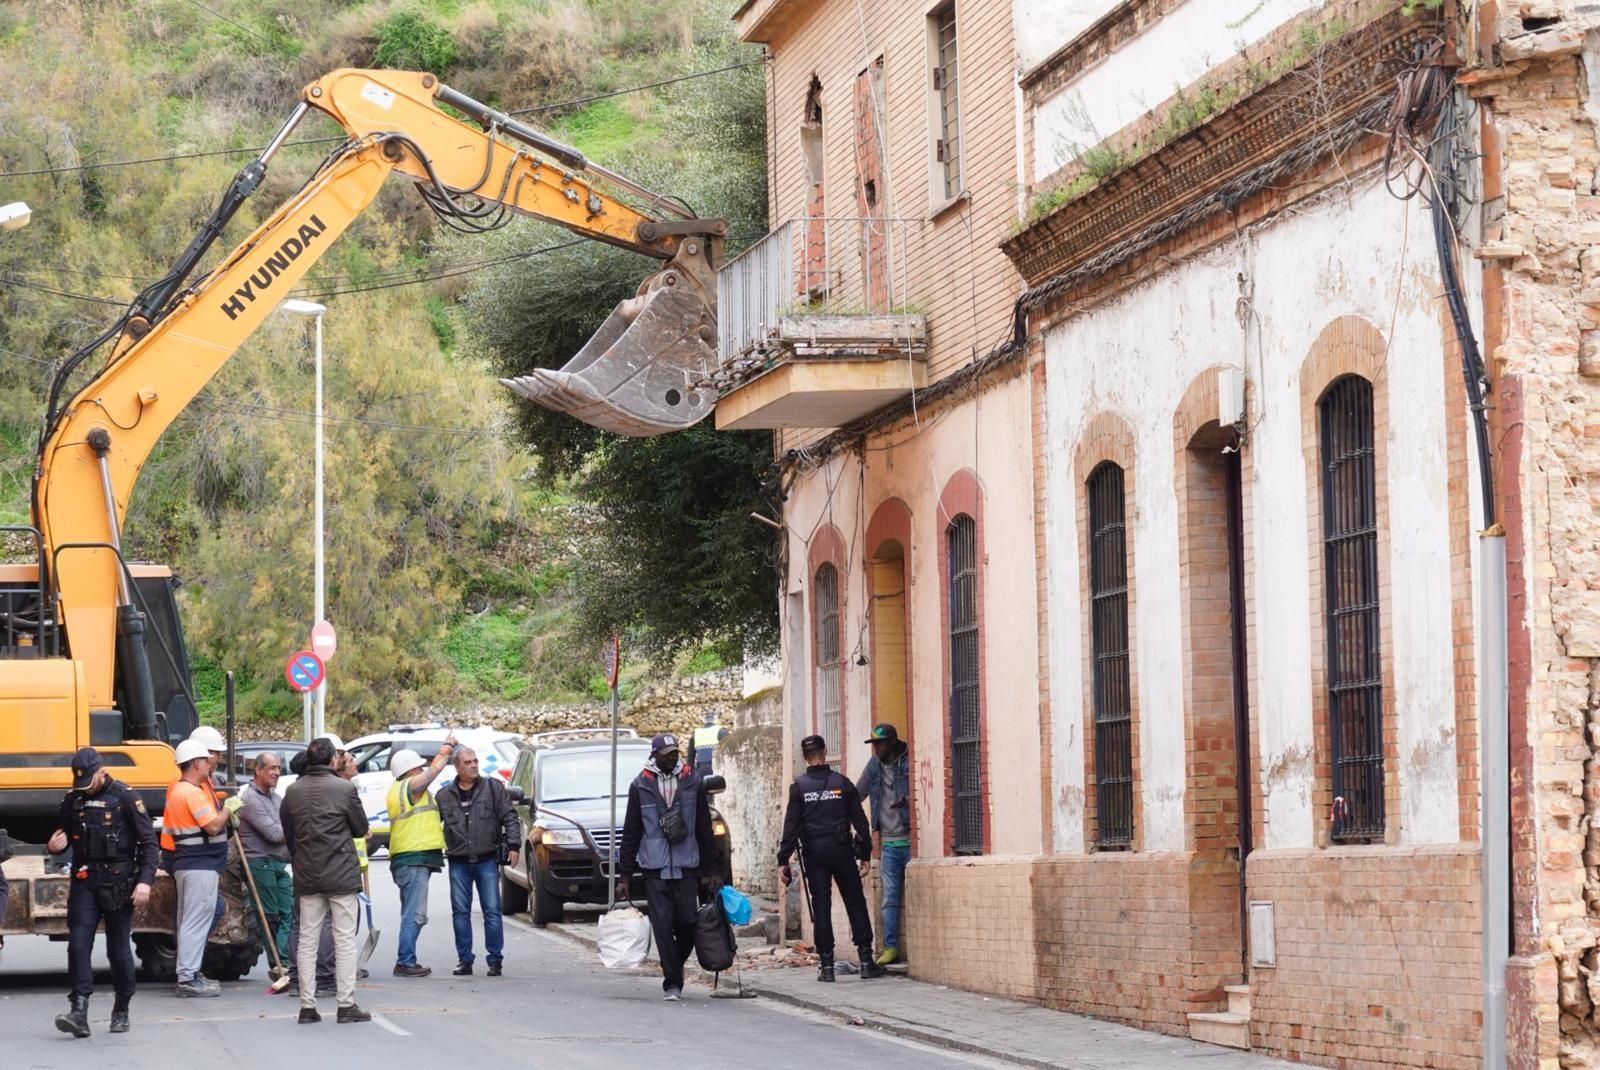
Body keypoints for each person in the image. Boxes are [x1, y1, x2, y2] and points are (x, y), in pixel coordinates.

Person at [45, 747, 157, 1037]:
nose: (85, 788)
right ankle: (78, 1010)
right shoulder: (73, 800)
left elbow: (149, 844)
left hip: (119, 882)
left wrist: (145, 881)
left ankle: (122, 1008)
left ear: (102, 771)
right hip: (85, 879)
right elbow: (64, 835)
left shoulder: (126, 798)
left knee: (117, 948)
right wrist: (55, 847)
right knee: (78, 943)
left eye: (89, 781)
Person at [616, 732, 721, 1001]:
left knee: (688, 924)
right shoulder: (640, 785)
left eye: (675, 753)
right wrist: (624, 875)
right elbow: (631, 831)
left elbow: (703, 827)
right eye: (666, 755)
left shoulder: (691, 780)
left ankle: (674, 966)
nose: (672, 758)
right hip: (655, 868)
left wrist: (712, 870)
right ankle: (672, 982)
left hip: (687, 865)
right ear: (654, 756)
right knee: (662, 927)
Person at [778, 734, 884, 983]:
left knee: (821, 905)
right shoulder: (842, 783)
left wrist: (783, 859)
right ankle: (866, 961)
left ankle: (826, 966)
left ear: (805, 757)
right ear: (825, 752)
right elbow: (861, 822)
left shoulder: (799, 787)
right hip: (841, 851)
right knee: (855, 902)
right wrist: (865, 854)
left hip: (814, 853)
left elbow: (791, 826)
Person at [281, 736, 370, 1024]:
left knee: (307, 939)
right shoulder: (344, 788)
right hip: (341, 873)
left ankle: (307, 1006)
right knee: (344, 939)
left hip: (307, 873)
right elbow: (360, 828)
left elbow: (288, 833)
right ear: (333, 760)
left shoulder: (292, 792)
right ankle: (345, 1005)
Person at [437, 746, 519, 976]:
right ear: (457, 766)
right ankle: (465, 960)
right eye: (468, 762)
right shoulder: (444, 796)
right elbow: (432, 827)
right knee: (460, 912)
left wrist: (514, 845)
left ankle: (495, 960)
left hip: (486, 860)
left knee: (492, 910)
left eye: (475, 761)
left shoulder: (493, 788)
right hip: (458, 862)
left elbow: (510, 817)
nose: (473, 765)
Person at [387, 737, 456, 978]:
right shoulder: (409, 787)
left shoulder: (397, 790)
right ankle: (405, 961)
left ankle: (406, 959)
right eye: (419, 767)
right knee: (413, 914)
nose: (422, 770)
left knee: (410, 911)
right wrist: (445, 751)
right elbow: (431, 774)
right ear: (411, 770)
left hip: (408, 859)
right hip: (413, 858)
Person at [167, 738, 229, 997]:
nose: (210, 763)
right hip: (199, 864)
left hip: (190, 863)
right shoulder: (191, 792)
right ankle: (189, 977)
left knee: (198, 916)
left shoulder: (180, 790)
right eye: (205, 759)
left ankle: (189, 971)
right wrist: (229, 809)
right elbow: (213, 826)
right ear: (195, 763)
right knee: (194, 920)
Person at [855, 723, 911, 966]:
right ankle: (890, 947)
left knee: (913, 896)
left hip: (910, 841)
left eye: (880, 743)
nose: (876, 748)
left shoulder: (909, 759)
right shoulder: (874, 765)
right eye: (873, 744)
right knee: (889, 897)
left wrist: (908, 799)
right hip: (888, 843)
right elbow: (857, 794)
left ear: (893, 742)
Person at [235, 751, 291, 964]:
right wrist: (294, 827)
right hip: (260, 863)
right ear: (258, 770)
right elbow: (275, 834)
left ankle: (285, 958)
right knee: (269, 916)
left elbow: (282, 828)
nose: (277, 772)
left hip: (278, 862)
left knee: (289, 910)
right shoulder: (250, 799)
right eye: (271, 768)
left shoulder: (276, 798)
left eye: (278, 768)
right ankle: (279, 963)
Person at [691, 709, 730, 777]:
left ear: (703, 719)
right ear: (716, 719)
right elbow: (729, 753)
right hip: (717, 771)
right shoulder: (721, 731)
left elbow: (690, 760)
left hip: (700, 772)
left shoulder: (695, 733)